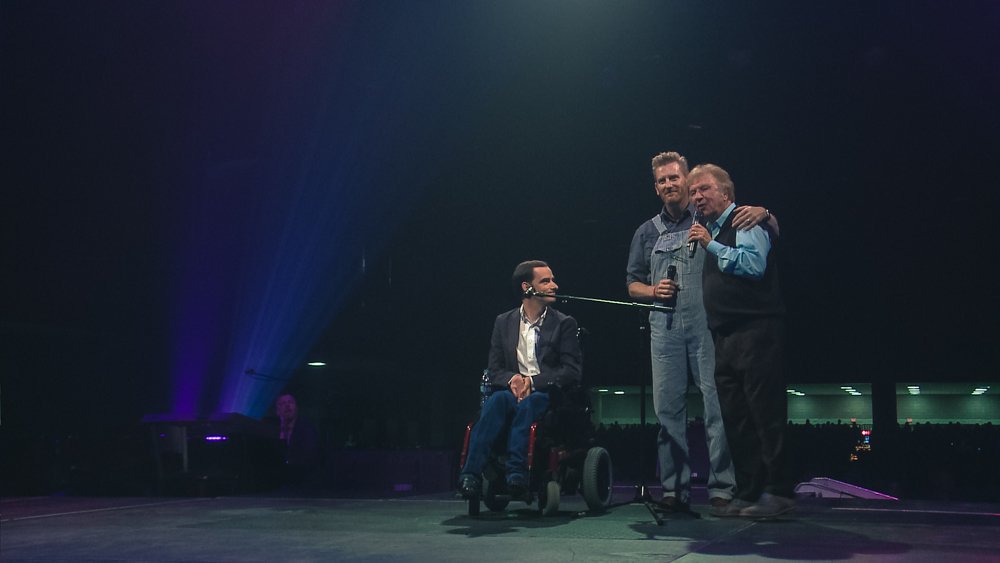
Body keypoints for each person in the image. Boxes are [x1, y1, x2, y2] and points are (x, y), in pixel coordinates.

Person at [626, 151, 778, 514]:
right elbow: (632, 284)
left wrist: (766, 213)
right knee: (668, 411)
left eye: (675, 179)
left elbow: (759, 232)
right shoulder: (646, 232)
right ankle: (673, 490)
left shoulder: (709, 217)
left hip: (706, 326)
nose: (669, 185)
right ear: (656, 188)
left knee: (717, 409)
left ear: (688, 183)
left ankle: (723, 487)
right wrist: (652, 291)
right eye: (662, 181)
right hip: (663, 329)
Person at [687, 163, 793, 518]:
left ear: (726, 193)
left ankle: (778, 492)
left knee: (765, 414)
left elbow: (752, 265)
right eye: (693, 192)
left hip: (756, 330)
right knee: (737, 418)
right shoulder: (712, 229)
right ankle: (749, 492)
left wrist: (712, 246)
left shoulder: (746, 220)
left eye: (703, 189)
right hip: (725, 334)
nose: (697, 197)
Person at [458, 260, 583, 499]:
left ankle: (517, 473)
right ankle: (470, 474)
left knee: (529, 405)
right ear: (527, 287)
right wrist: (514, 378)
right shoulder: (503, 322)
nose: (554, 285)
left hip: (547, 393)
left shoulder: (564, 323)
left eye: (553, 279)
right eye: (545, 281)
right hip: (511, 391)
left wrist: (532, 382)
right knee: (494, 403)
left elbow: (571, 371)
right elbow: (495, 368)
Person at [274, 393, 321, 488]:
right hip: (281, 481)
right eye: (283, 403)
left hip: (304, 480)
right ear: (278, 411)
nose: (287, 405)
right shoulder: (275, 430)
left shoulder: (307, 428)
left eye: (290, 402)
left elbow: (309, 455)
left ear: (296, 408)